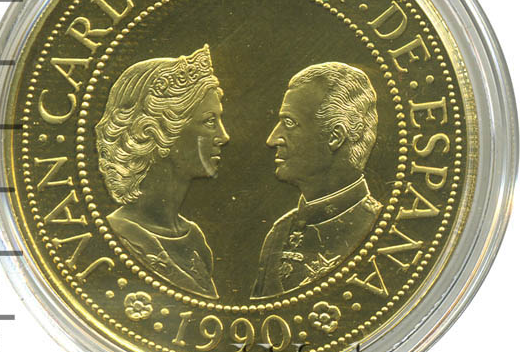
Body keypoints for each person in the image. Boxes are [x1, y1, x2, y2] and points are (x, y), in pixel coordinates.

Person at [96, 44, 229, 300]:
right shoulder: (120, 236)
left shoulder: (193, 238)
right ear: (156, 132)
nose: (223, 136)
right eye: (209, 121)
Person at [252, 61, 382, 299]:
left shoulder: (376, 227)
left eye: (289, 123)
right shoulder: (279, 233)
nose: (273, 139)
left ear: (335, 136)